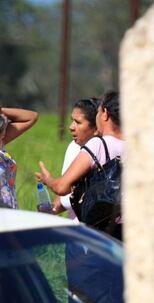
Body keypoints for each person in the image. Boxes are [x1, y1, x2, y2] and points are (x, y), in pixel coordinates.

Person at [36, 90, 123, 238]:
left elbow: (62, 187)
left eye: (98, 112)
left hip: (94, 234)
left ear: (105, 114)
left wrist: (49, 181)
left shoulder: (98, 145)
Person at [50, 98, 100, 222]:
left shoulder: (102, 150)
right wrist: (49, 211)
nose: (71, 127)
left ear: (96, 127)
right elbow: (65, 194)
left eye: (78, 122)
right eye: (72, 120)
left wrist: (50, 182)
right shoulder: (73, 147)